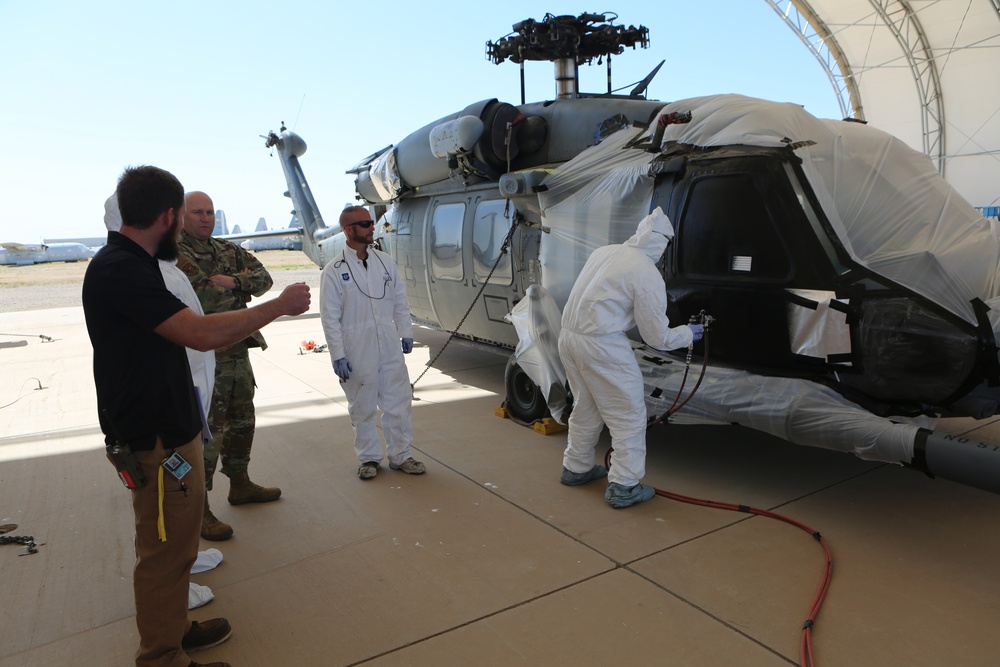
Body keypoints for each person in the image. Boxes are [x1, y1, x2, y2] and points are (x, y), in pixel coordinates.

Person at [83, 165, 310, 667]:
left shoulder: (139, 264)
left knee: (179, 545)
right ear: (169, 216)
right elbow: (200, 333)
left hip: (173, 431)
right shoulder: (120, 269)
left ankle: (174, 629)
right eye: (186, 214)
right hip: (154, 439)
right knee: (163, 550)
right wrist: (277, 306)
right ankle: (162, 656)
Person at [557, 207, 704, 509]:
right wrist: (688, 334)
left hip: (569, 337)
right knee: (628, 416)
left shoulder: (605, 252)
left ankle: (576, 467)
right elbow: (657, 337)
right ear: (662, 246)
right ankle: (624, 486)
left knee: (587, 405)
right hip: (602, 346)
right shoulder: (646, 272)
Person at [176, 191, 279, 542]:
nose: (206, 218)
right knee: (208, 432)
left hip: (237, 351)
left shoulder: (227, 250)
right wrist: (229, 287)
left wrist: (235, 282)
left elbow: (265, 281)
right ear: (182, 216)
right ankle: (199, 509)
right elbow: (201, 295)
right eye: (198, 212)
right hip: (205, 358)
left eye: (210, 212)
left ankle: (240, 484)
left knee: (242, 420)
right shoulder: (177, 253)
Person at [320, 205, 425, 480]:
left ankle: (401, 455)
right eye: (365, 224)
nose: (371, 228)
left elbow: (400, 301)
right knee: (362, 407)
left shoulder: (385, 262)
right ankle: (368, 458)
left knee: (398, 403)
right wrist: (337, 355)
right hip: (356, 348)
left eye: (371, 223)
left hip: (388, 345)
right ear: (348, 230)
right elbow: (330, 318)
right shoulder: (334, 271)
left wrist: (406, 331)